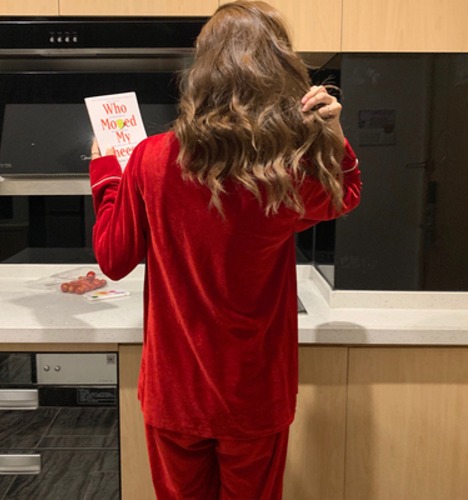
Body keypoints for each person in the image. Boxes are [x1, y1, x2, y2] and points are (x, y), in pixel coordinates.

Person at [89, 1, 361, 498]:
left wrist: (107, 174)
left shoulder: (150, 159)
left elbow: (114, 257)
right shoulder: (286, 172)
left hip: (175, 395)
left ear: (202, 70)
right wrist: (332, 136)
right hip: (255, 398)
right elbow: (344, 196)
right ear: (278, 69)